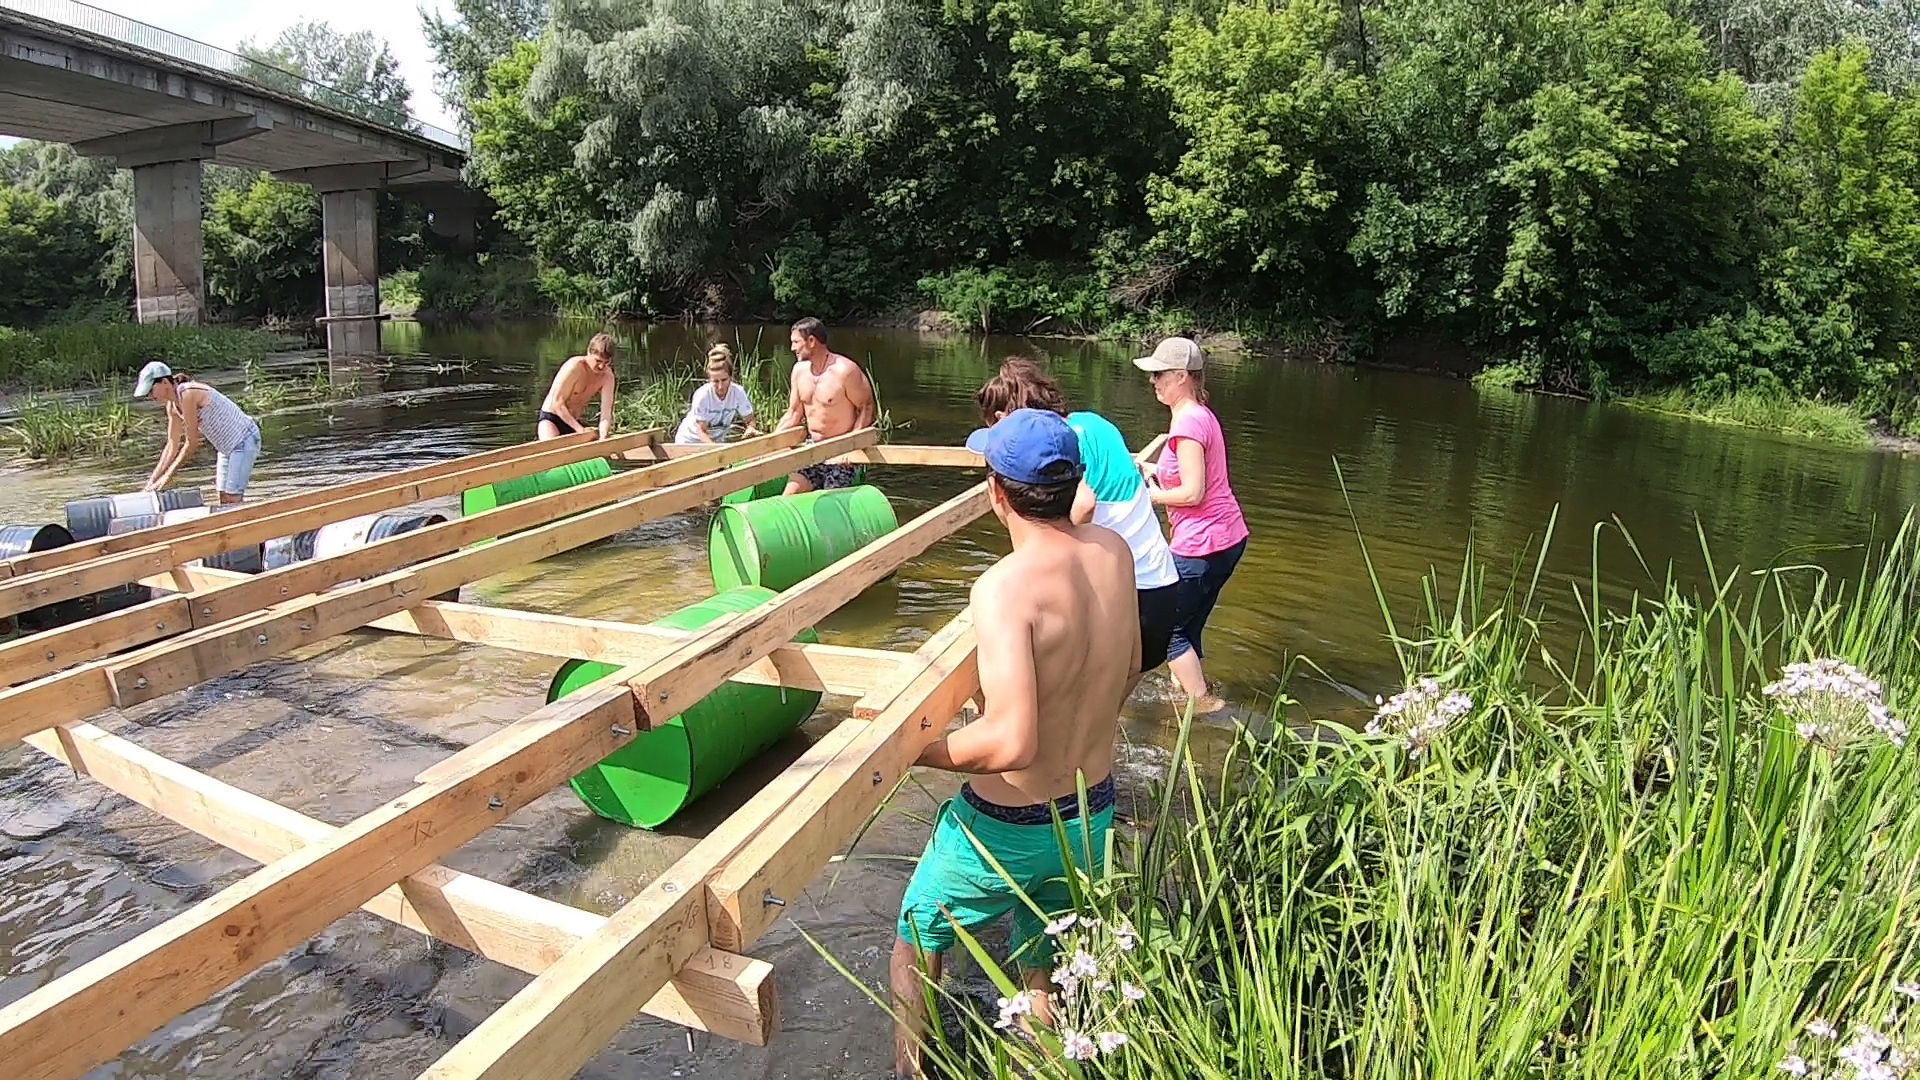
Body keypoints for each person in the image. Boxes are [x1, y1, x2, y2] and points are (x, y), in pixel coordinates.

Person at [891, 409, 1139, 1078]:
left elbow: (1011, 742)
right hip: (1092, 812)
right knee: (1043, 947)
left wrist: (918, 750)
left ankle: (913, 1070)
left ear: (995, 492)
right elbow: (1125, 669)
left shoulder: (1003, 587)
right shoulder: (1112, 552)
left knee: (916, 935)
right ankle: (1042, 1056)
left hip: (1005, 824)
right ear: (1074, 481)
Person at [967, 358, 1180, 693]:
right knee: (1098, 719)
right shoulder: (1093, 423)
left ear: (1003, 419)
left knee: (1067, 709)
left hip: (1131, 596)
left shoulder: (1065, 442)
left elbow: (1084, 506)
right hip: (1160, 585)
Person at [1135, 337, 1249, 715]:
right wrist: (1153, 472)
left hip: (1202, 542)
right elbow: (1191, 477)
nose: (1153, 382)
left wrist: (1148, 498)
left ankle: (1205, 706)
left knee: (1169, 632)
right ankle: (1186, 692)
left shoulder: (1186, 423)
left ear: (1182, 376)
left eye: (1159, 375)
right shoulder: (1201, 415)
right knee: (1189, 626)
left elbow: (1194, 492)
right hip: (1226, 539)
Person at [135, 361, 262, 504]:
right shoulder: (172, 407)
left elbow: (192, 443)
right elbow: (171, 445)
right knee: (224, 499)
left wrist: (168, 476)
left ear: (165, 382)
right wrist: (151, 482)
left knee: (232, 498)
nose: (150, 396)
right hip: (226, 448)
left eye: (151, 391)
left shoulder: (187, 394)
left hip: (244, 439)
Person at [773, 317, 874, 494]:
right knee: (789, 496)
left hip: (841, 452)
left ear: (811, 341)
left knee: (829, 501)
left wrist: (851, 446)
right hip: (813, 448)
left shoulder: (845, 370)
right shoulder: (799, 371)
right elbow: (793, 414)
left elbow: (866, 408)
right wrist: (770, 444)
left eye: (796, 342)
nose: (792, 348)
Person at [537, 332, 617, 440]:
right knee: (552, 448)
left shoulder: (607, 376)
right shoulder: (574, 366)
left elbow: (606, 413)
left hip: (574, 422)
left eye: (606, 362)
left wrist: (603, 435)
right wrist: (580, 430)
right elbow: (557, 403)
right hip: (552, 418)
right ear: (588, 352)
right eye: (598, 361)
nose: (601, 366)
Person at [674, 344, 758, 444]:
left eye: (724, 380)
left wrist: (750, 429)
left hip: (716, 441)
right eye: (715, 381)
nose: (720, 386)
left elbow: (750, 420)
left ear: (731, 377)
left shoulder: (738, 392)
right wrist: (715, 450)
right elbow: (701, 431)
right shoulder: (702, 395)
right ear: (709, 380)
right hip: (690, 441)